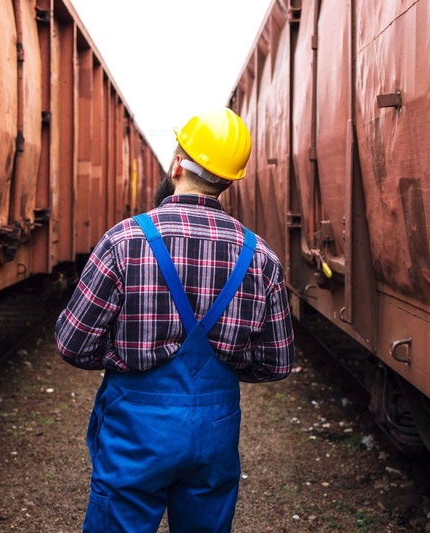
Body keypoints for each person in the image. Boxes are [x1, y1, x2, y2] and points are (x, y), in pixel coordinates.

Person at [55, 107, 295, 532]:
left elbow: (73, 344)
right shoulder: (260, 257)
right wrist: (225, 365)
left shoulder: (125, 240)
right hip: (216, 430)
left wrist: (129, 359)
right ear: (229, 181)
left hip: (135, 429)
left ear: (178, 163)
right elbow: (276, 363)